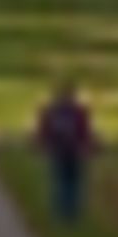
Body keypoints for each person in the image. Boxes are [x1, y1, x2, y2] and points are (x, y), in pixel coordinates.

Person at [33, 81, 99, 225]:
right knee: (70, 183)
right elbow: (86, 132)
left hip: (61, 151)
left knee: (61, 181)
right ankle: (69, 212)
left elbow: (43, 131)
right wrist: (92, 146)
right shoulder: (79, 112)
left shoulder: (50, 111)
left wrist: (39, 144)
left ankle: (62, 211)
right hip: (71, 151)